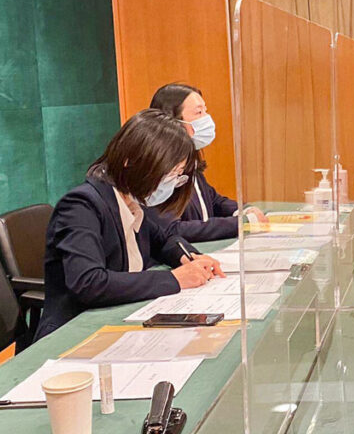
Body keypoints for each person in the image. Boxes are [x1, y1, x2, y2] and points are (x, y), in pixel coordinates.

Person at [34, 109, 226, 340]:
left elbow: (164, 239)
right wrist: (175, 279)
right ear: (130, 161)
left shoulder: (133, 202)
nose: (171, 183)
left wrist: (188, 257)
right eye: (168, 174)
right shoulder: (82, 206)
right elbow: (89, 282)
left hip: (119, 319)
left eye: (178, 175)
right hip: (74, 332)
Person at [148, 83, 267, 241]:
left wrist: (243, 210)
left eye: (205, 110)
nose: (206, 118)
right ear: (173, 121)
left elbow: (213, 200)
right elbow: (173, 228)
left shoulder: (190, 158)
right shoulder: (160, 168)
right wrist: (239, 224)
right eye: (199, 112)